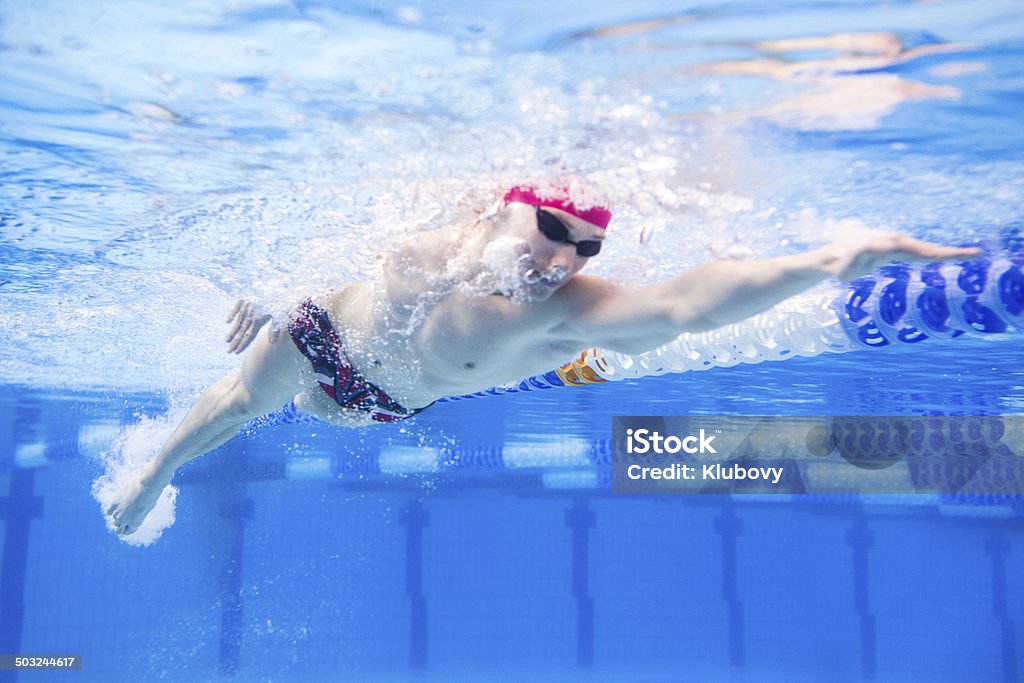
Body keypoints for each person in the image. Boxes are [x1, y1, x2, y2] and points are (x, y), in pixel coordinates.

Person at [105, 184, 979, 535]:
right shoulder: (422, 246)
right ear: (500, 210)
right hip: (322, 341)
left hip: (385, 401)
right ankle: (150, 473)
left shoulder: (570, 313)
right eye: (551, 230)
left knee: (321, 416)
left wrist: (827, 263)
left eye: (586, 247)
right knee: (238, 404)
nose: (562, 261)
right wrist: (261, 294)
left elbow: (688, 303)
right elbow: (310, 253)